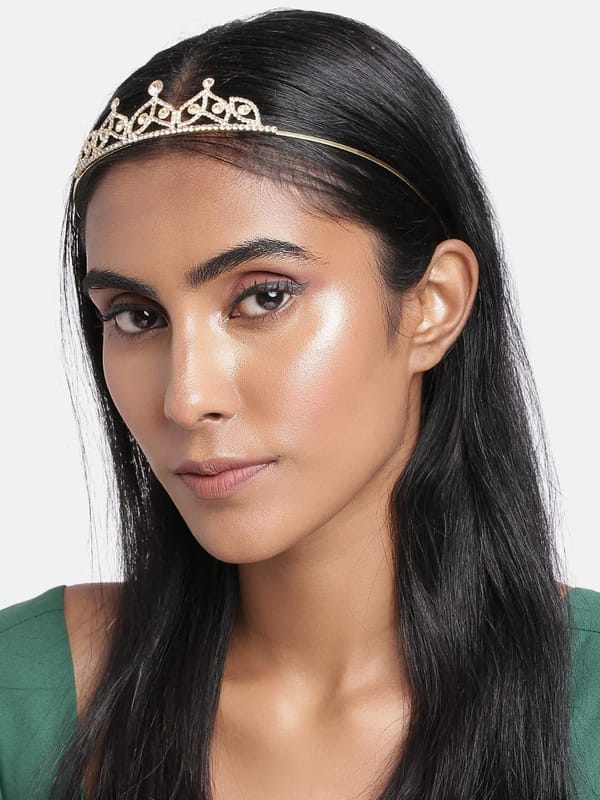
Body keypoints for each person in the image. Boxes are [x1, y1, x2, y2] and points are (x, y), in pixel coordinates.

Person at [0, 8, 598, 799]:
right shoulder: (23, 700)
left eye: (264, 297)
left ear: (433, 305)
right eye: (137, 316)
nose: (187, 397)